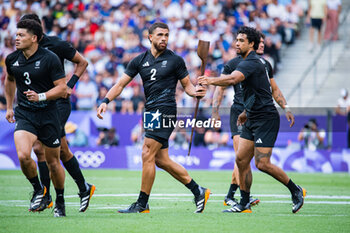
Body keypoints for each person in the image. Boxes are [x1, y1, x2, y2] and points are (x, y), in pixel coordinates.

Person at [97, 22, 210, 213]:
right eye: (160, 35)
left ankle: (142, 204)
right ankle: (198, 191)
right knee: (161, 160)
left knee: (146, 153)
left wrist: (196, 91)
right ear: (150, 37)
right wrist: (106, 100)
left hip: (165, 110)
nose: (164, 38)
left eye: (166, 35)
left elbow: (188, 86)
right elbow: (120, 84)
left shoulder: (175, 60)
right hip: (150, 111)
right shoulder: (139, 60)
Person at [198, 26, 305, 213]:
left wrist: (210, 80)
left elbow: (233, 80)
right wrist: (245, 112)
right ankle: (244, 202)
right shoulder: (251, 63)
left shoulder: (252, 63)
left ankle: (295, 190)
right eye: (236, 40)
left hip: (266, 118)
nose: (237, 43)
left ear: (251, 44)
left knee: (262, 164)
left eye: (241, 41)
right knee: (241, 159)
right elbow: (257, 91)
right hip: (250, 116)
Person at [20, 14, 95, 213]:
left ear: (35, 32)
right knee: (57, 150)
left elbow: (83, 62)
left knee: (42, 146)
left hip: (58, 105)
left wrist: (69, 85)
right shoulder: (23, 51)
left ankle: (48, 196)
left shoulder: (57, 44)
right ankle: (81, 188)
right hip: (37, 107)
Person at [5, 19, 67, 217]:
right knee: (23, 155)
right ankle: (39, 190)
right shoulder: (12, 59)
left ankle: (60, 200)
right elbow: (10, 79)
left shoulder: (50, 58)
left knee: (53, 163)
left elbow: (62, 88)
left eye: (21, 35)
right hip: (25, 113)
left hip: (49, 114)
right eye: (16, 35)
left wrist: (41, 96)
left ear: (34, 38)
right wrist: (8, 107)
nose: (17, 38)